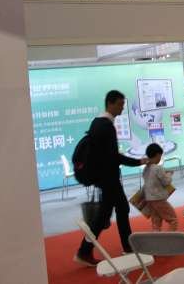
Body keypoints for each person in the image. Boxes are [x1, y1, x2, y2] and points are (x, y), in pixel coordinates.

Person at [75, 90, 149, 267]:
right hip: (109, 178)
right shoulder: (106, 126)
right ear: (110, 103)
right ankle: (87, 251)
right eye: (120, 104)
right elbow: (113, 157)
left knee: (114, 211)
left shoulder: (97, 122)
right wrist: (139, 161)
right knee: (110, 214)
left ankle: (90, 250)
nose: (122, 108)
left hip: (104, 177)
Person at [143, 143, 177, 231]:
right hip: (159, 198)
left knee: (156, 223)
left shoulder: (146, 168)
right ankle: (170, 238)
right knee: (173, 219)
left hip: (149, 199)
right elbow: (166, 182)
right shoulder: (158, 168)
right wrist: (169, 174)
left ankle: (156, 238)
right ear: (158, 155)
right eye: (160, 156)